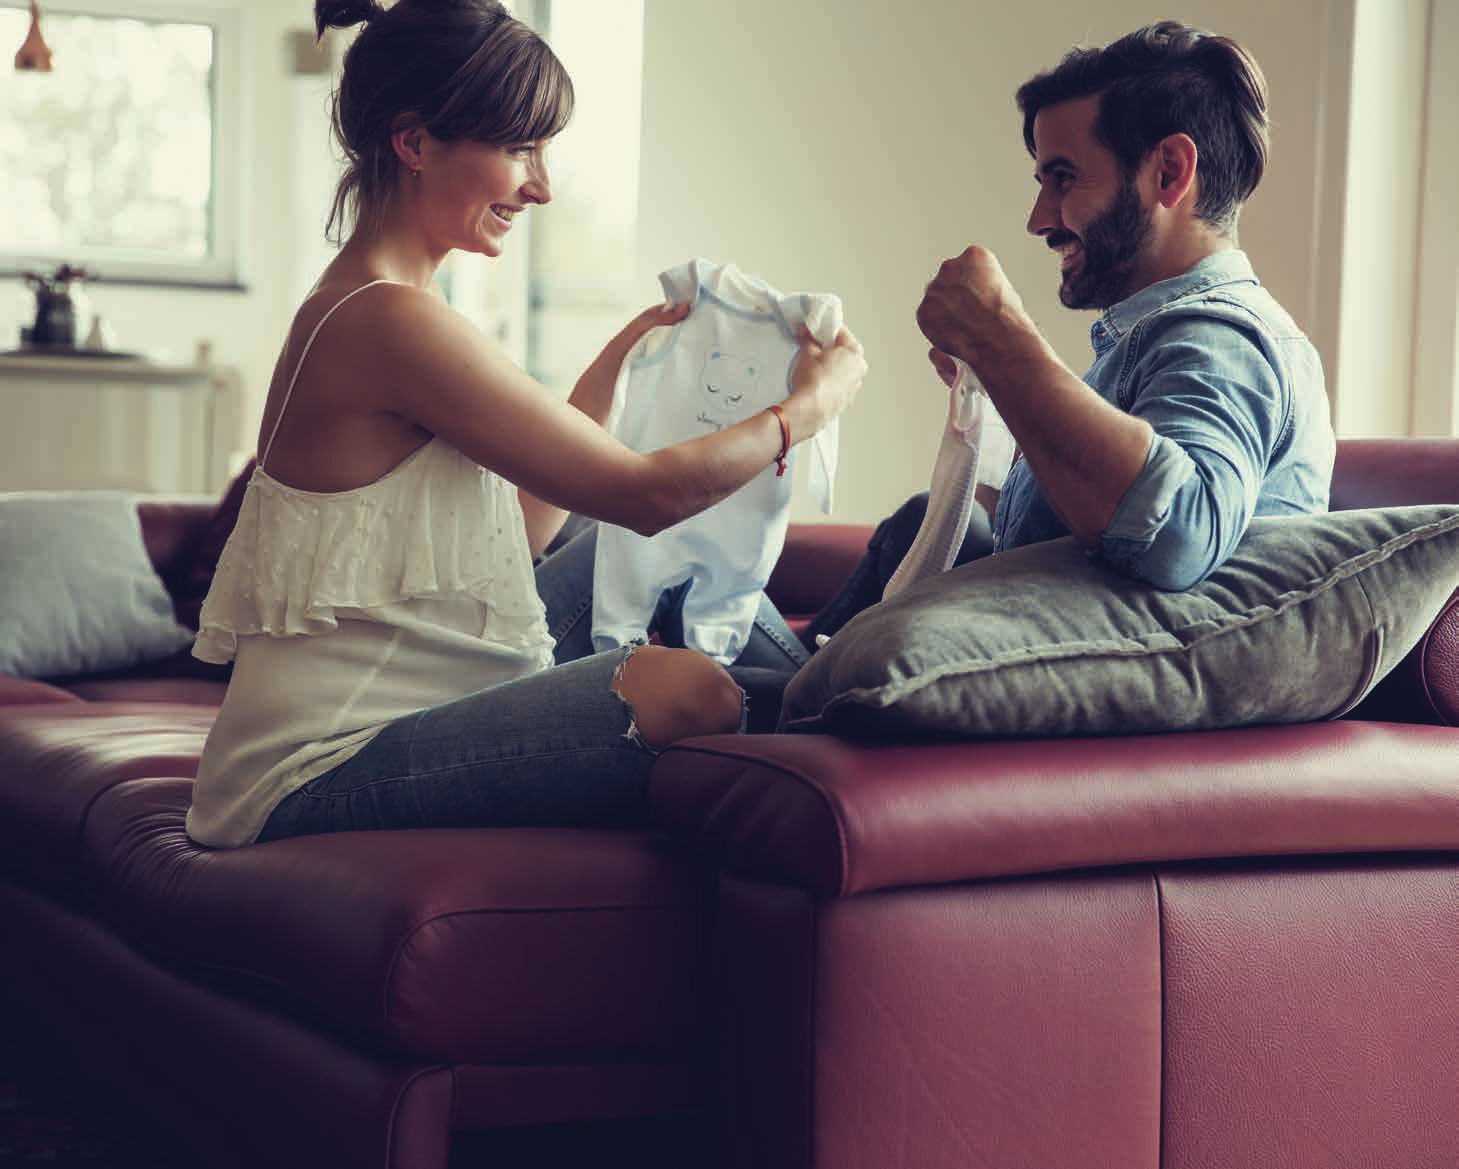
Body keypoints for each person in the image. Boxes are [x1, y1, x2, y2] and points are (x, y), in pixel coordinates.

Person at [184, 0, 864, 849]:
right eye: (519, 149)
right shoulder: (387, 321)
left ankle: (831, 689)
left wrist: (614, 365)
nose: (540, 185)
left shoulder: (380, 304)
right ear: (415, 142)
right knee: (687, 691)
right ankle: (851, 711)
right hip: (318, 771)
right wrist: (808, 407)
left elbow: (519, 534)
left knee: (657, 568)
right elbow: (645, 496)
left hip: (415, 709)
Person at [802, 19, 1335, 647]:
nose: (1038, 220)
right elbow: (1055, 546)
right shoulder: (1156, 341)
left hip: (1087, 711)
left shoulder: (1220, 336)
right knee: (915, 525)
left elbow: (1177, 534)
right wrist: (1005, 394)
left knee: (672, 651)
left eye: (1064, 178)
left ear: (1168, 172)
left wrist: (1004, 339)